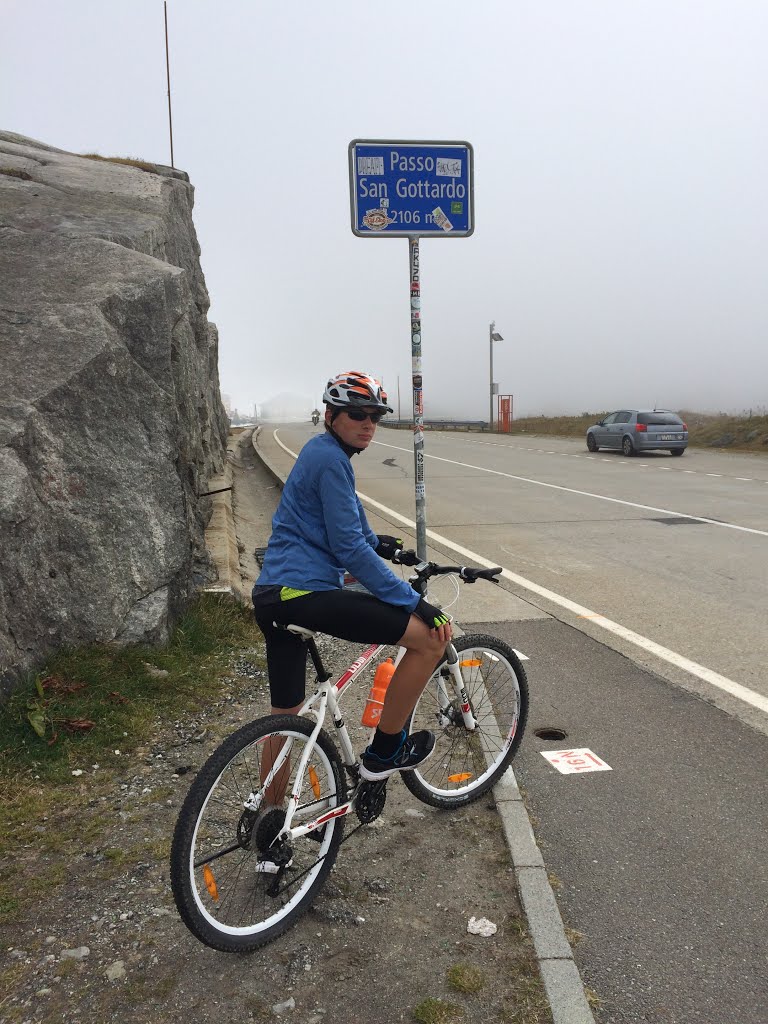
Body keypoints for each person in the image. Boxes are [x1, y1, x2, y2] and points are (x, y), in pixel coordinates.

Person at [252, 370, 452, 782]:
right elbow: (349, 550)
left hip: (271, 596)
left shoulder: (322, 453)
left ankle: (268, 826)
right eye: (357, 414)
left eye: (375, 416)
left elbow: (351, 531)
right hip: (305, 593)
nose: (368, 424)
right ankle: (384, 752)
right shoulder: (331, 460)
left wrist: (381, 543)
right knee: (430, 639)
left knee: (284, 718)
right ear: (331, 415)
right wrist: (414, 602)